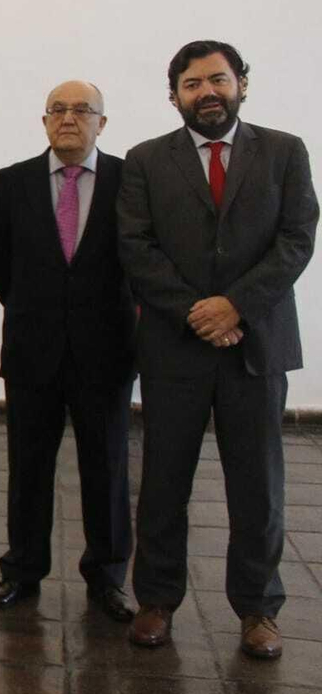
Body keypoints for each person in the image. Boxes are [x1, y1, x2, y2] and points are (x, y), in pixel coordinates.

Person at [117, 39, 317, 658]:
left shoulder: (284, 151)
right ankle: (156, 600)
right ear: (173, 95)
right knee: (163, 481)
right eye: (192, 83)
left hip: (254, 344)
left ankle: (258, 608)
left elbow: (296, 238)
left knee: (258, 483)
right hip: (176, 346)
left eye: (218, 80)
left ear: (242, 84)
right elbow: (137, 246)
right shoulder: (146, 160)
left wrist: (236, 306)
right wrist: (198, 312)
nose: (207, 92)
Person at [0, 81, 135, 623]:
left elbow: (142, 259)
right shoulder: (11, 182)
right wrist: (36, 308)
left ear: (103, 123)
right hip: (32, 349)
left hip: (107, 350)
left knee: (107, 467)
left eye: (82, 110)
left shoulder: (128, 181)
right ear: (44, 120)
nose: (69, 118)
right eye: (58, 110)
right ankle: (21, 570)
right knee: (27, 467)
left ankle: (108, 577)